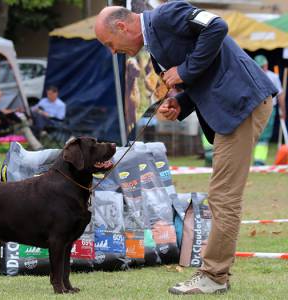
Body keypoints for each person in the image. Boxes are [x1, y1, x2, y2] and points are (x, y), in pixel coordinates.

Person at [95, 1, 277, 295]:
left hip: (243, 102)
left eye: (109, 43)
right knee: (223, 195)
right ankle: (216, 275)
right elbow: (199, 79)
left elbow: (217, 26)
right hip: (233, 107)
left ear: (122, 27)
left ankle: (214, 276)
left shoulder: (167, 14)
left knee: (223, 196)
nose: (112, 51)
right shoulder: (153, 48)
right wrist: (179, 103)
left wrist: (185, 70)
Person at [253, 55, 286, 166]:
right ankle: (257, 160)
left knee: (262, 136)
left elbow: (280, 95)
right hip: (259, 109)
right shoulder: (255, 76)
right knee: (258, 136)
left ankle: (258, 160)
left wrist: (282, 110)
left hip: (266, 109)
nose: (263, 68)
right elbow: (280, 95)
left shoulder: (272, 77)